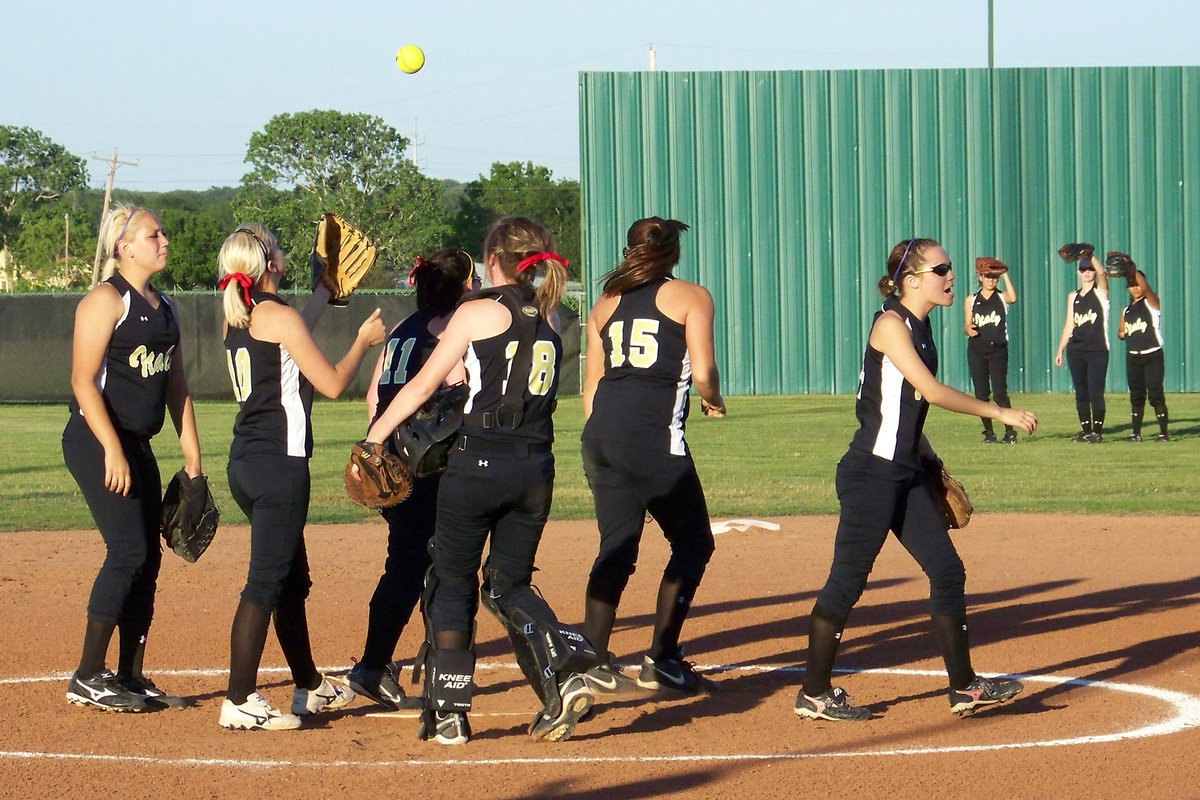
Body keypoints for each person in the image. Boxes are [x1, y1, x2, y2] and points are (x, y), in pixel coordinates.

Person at [362, 217, 597, 745]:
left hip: (478, 465)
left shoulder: (476, 313)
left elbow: (425, 384)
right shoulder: (553, 318)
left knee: (453, 582)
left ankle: (449, 713)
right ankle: (564, 671)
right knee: (509, 584)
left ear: (493, 259)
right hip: (536, 469)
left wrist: (376, 437)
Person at [795, 237, 1038, 722]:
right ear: (911, 279)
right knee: (847, 582)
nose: (952, 277)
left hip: (903, 472)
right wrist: (998, 412)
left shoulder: (922, 328)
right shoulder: (890, 324)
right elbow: (928, 390)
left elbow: (905, 408)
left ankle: (964, 688)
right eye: (942, 269)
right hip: (870, 475)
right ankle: (814, 693)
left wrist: (927, 459)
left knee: (947, 570)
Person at [216, 223, 385, 730]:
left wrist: (321, 292)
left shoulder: (240, 316)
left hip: (247, 462)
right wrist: (363, 342)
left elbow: (294, 330)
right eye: (278, 246)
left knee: (290, 580)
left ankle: (309, 686)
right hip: (280, 467)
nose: (288, 251)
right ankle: (239, 699)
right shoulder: (278, 317)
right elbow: (331, 383)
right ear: (268, 263)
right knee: (266, 583)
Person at [62, 204, 201, 713]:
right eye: (152, 234)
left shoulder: (166, 307)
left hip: (135, 443)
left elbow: (177, 386)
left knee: (149, 558)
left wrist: (194, 459)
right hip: (96, 439)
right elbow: (82, 382)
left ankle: (130, 674)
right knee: (128, 551)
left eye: (161, 232)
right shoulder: (105, 300)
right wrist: (112, 451)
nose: (163, 240)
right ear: (123, 246)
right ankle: (87, 675)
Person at [579, 217, 725, 697]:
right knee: (694, 543)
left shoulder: (604, 304)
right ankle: (661, 658)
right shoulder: (690, 295)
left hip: (600, 435)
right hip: (653, 439)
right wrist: (714, 397)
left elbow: (592, 386)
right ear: (673, 253)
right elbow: (702, 370)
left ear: (629, 250)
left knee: (616, 548)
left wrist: (602, 436)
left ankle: (594, 662)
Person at [347, 248, 477, 710]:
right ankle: (388, 665)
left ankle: (376, 663)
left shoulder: (402, 330)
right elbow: (459, 391)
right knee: (435, 566)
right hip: (428, 468)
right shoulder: (450, 330)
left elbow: (371, 395)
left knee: (405, 562)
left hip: (392, 461)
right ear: (462, 287)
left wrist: (378, 450)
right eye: (472, 281)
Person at [1054, 252, 1110, 442]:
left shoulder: (1100, 293)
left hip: (1097, 349)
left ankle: (1097, 431)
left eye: (1090, 269)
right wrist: (1060, 348)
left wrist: (1091, 255)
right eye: (1083, 269)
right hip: (1076, 349)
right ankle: (1086, 429)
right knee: (1081, 391)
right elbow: (1070, 324)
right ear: (1078, 273)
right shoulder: (1074, 296)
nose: (1087, 272)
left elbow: (1103, 276)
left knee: (1095, 391)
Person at [963, 259, 1018, 444]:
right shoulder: (972, 299)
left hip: (998, 349)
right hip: (977, 349)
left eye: (994, 277)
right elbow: (966, 325)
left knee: (1000, 393)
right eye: (987, 276)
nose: (991, 280)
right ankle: (988, 432)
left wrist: (1005, 273)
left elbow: (1013, 297)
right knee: (981, 394)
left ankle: (1010, 432)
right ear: (980, 277)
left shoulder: (1001, 297)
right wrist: (968, 329)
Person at [1117, 267, 1170, 442]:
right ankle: (1136, 434)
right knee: (1137, 395)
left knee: (1155, 392)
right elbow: (1120, 332)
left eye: (1138, 284)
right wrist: (1125, 333)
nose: (1136, 288)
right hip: (1133, 357)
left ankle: (1163, 433)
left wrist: (1131, 269)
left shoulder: (1151, 303)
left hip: (1152, 354)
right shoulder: (1126, 311)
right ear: (1128, 289)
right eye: (1131, 285)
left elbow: (1146, 289)